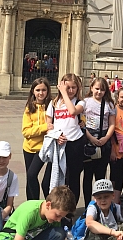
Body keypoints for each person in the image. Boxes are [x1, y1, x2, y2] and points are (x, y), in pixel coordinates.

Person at [46, 74, 86, 203]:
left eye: (74, 87)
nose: (71, 90)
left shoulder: (80, 102)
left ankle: (71, 208)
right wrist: (56, 135)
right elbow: (49, 124)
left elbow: (73, 111)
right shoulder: (54, 103)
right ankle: (58, 204)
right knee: (56, 177)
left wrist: (64, 93)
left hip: (75, 143)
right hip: (59, 144)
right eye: (67, 88)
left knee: (73, 178)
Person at [0, 185, 77, 240]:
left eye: (61, 217)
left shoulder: (53, 213)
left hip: (30, 236)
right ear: (48, 205)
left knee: (59, 233)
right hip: (10, 237)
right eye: (57, 215)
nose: (58, 220)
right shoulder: (30, 212)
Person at [83, 77, 116, 206]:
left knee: (101, 175)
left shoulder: (109, 104)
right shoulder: (85, 102)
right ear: (91, 88)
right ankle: (88, 204)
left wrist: (106, 138)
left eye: (102, 90)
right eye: (97, 88)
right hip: (89, 140)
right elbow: (81, 122)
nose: (99, 92)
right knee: (87, 175)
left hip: (103, 140)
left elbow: (112, 124)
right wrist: (91, 138)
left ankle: (100, 203)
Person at [22, 77, 53, 200]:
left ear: (48, 91)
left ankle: (47, 203)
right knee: (30, 178)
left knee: (32, 174)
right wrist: (44, 127)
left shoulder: (52, 106)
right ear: (33, 91)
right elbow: (25, 131)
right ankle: (32, 204)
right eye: (38, 90)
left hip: (44, 147)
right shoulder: (29, 108)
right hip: (29, 147)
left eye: (44, 90)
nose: (41, 93)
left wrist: (82, 120)